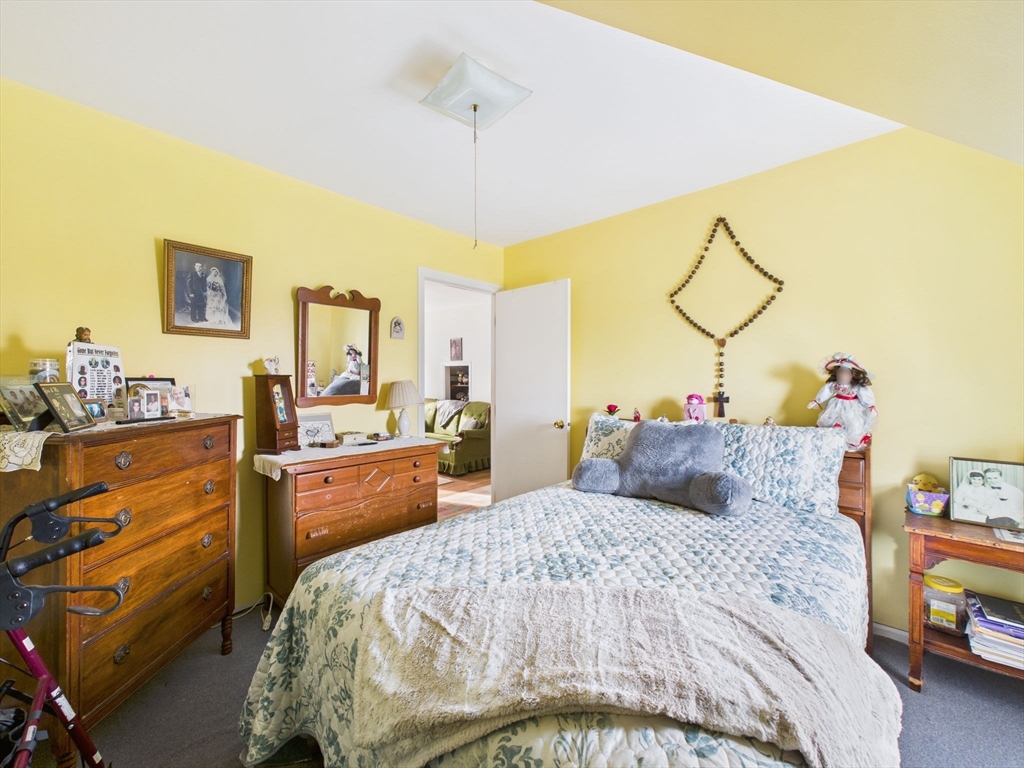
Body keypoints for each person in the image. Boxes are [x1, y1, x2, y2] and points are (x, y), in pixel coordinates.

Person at [807, 353, 877, 451]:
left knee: (853, 424)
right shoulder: (834, 385)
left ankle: (849, 444)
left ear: (853, 375)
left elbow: (865, 395)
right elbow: (826, 391)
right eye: (839, 373)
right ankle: (829, 443)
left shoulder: (856, 386)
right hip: (835, 405)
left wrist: (870, 405)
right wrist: (817, 400)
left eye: (846, 373)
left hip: (852, 407)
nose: (842, 376)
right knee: (829, 421)